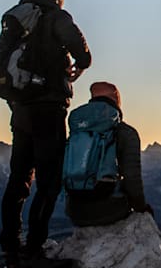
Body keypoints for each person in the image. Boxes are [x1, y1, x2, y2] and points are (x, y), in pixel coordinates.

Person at [0, 0, 91, 268]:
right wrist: (83, 62)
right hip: (48, 107)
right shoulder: (55, 17)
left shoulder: (20, 18)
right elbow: (81, 51)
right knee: (49, 182)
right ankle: (34, 253)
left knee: (19, 179)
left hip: (21, 108)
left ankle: (12, 251)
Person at [64, 81, 152, 226]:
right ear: (116, 99)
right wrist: (142, 209)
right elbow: (132, 180)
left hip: (75, 213)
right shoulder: (125, 132)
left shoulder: (78, 130)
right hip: (111, 211)